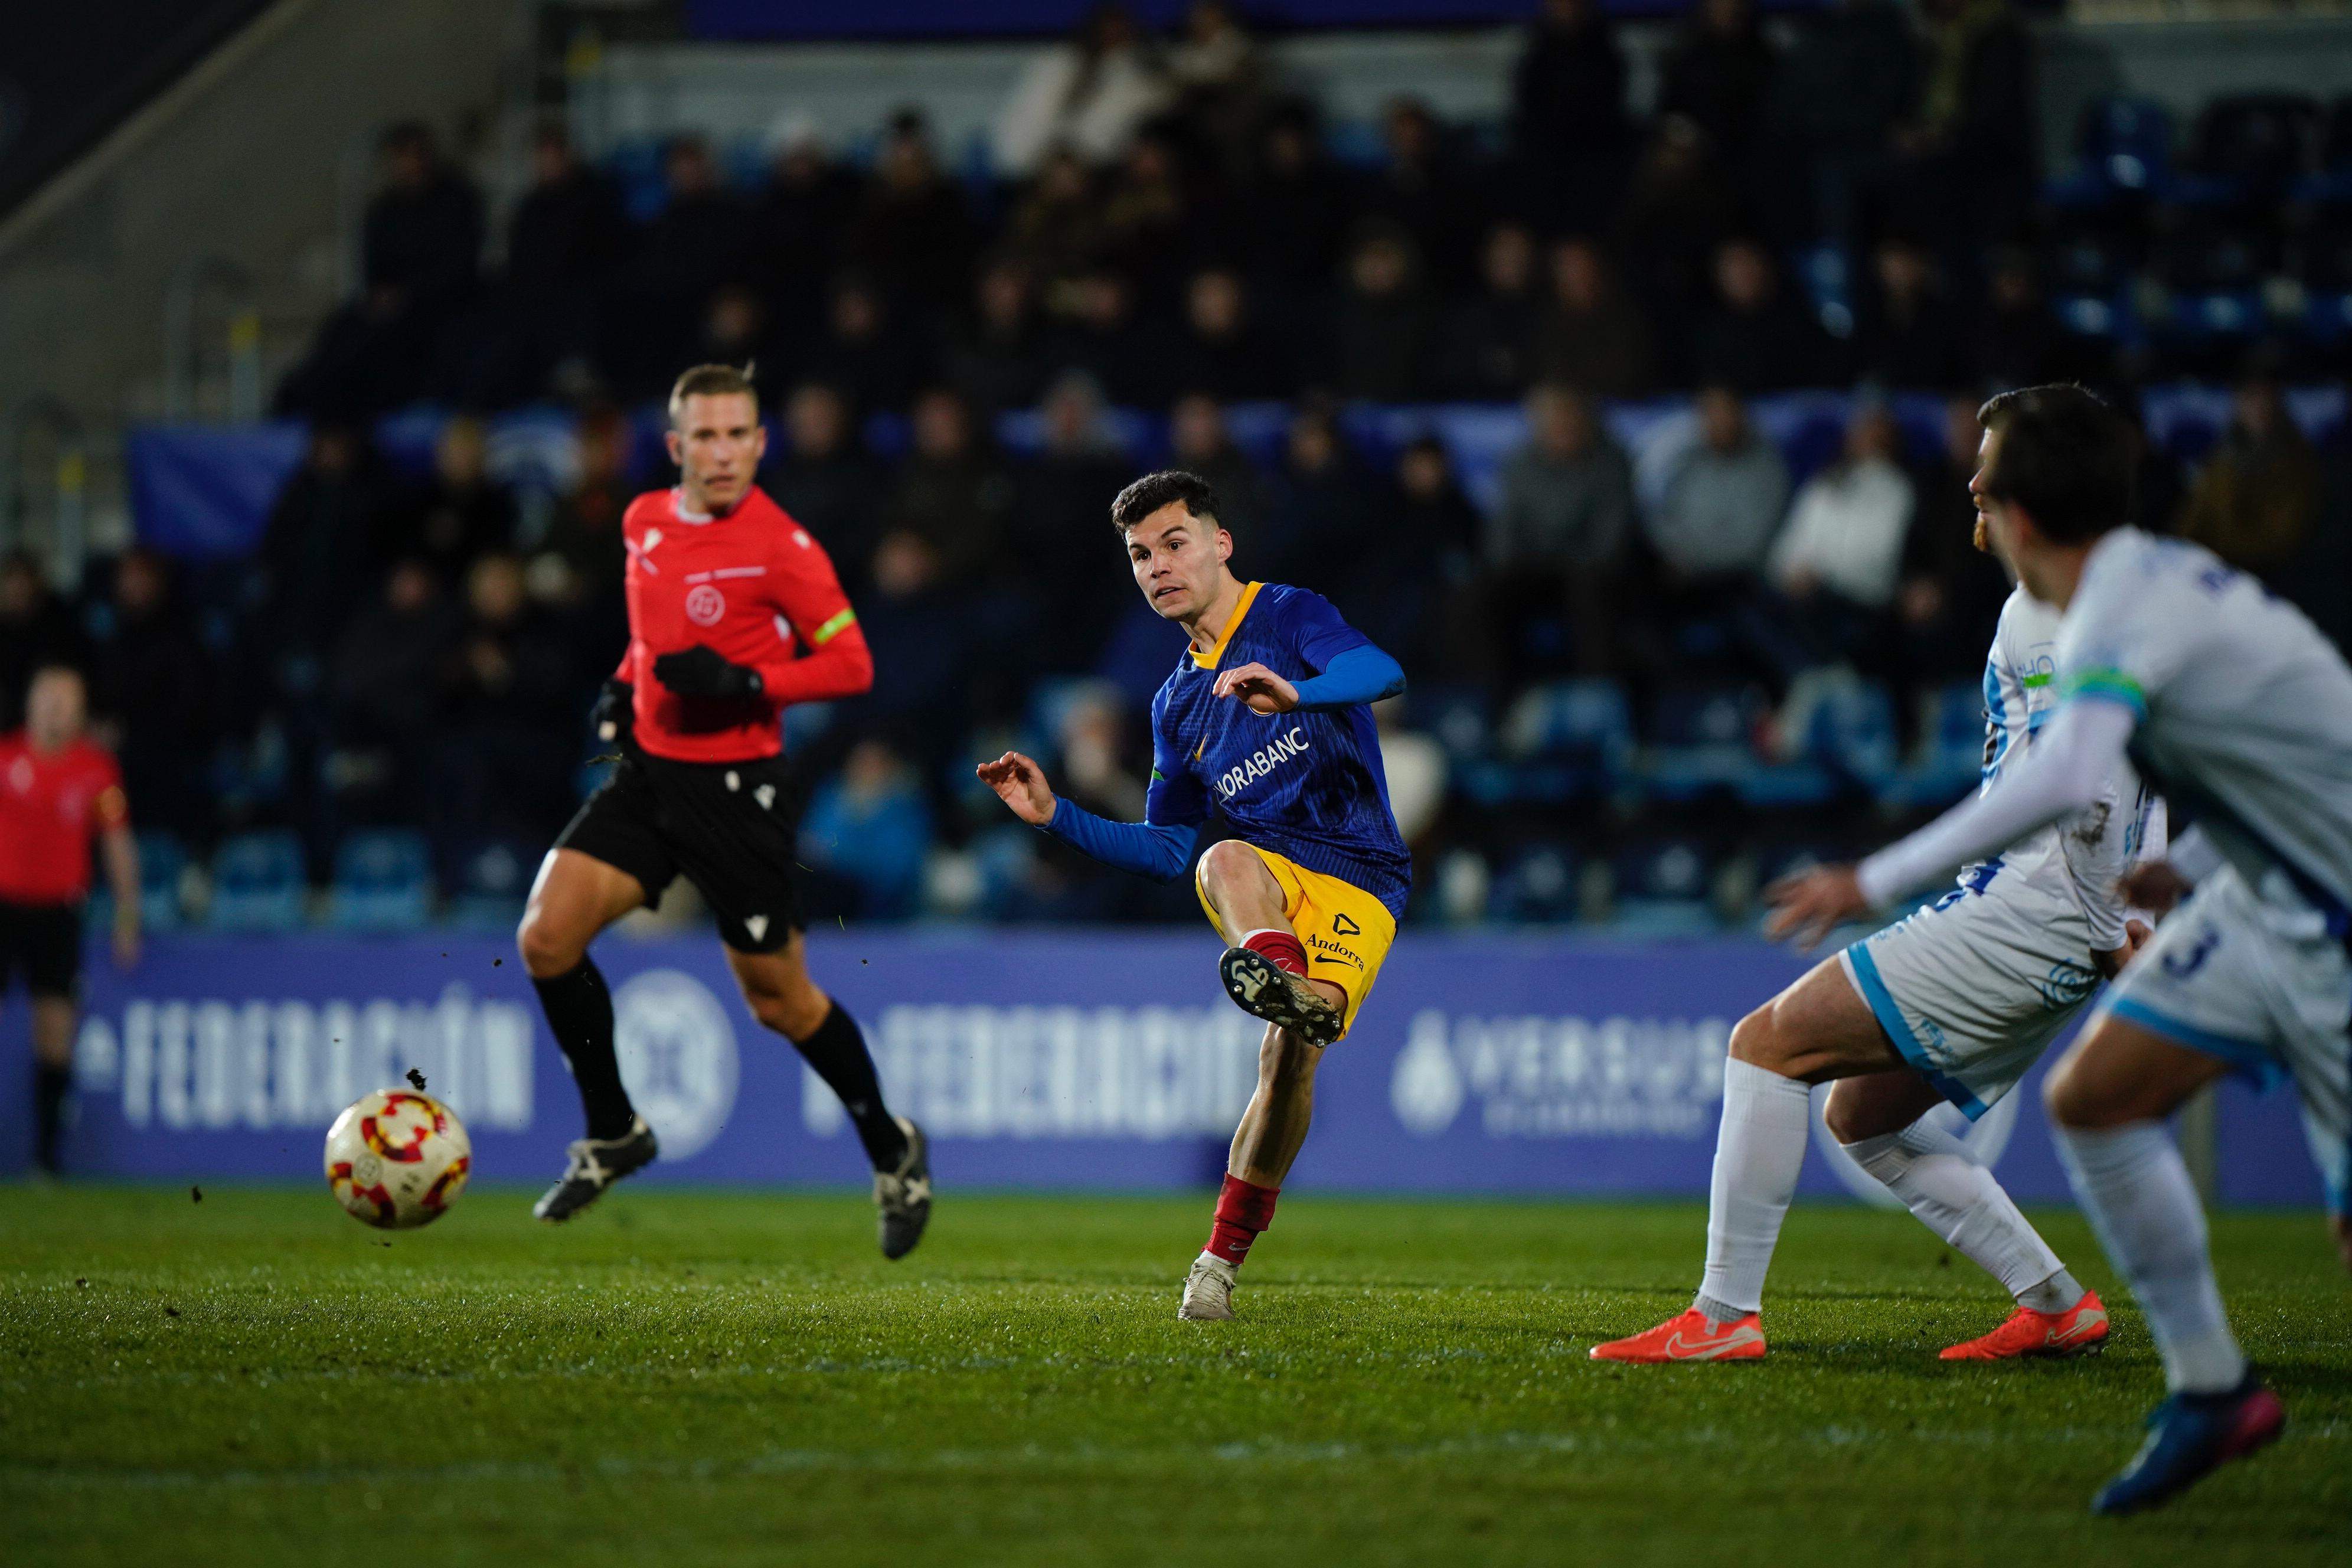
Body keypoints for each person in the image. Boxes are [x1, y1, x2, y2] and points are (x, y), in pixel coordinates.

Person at [1764, 383, 2352, 1514]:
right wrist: (2178, 878)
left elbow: (2068, 779)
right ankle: (2210, 1390)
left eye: (1984, 474)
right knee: (2095, 1095)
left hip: (2326, 910)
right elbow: (2249, 760)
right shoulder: (2126, 592)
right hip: (2264, 892)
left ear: (2018, 512)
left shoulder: (2115, 607)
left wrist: (1869, 880)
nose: (1969, 491)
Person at [1594, 384, 2158, 1372]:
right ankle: (2054, 1304)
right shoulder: (2093, 595)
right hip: (2057, 914)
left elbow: (2087, 785)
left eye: (1992, 462)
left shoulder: (2062, 612)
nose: (1972, 481)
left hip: (2035, 910)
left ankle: (1722, 1312)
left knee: (1764, 1046)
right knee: (1861, 1117)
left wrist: (2100, 915)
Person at [515, 365, 932, 1257]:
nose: (723, 451)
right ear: (676, 449)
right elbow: (645, 638)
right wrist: (620, 690)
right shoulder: (643, 523)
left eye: (738, 434)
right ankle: (614, 1129)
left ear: (759, 443)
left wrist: (749, 682)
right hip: (649, 777)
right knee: (546, 938)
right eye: (705, 436)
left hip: (739, 792)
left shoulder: (785, 547)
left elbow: (851, 665)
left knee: (778, 1001)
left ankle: (892, 1149)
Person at [977, 471, 1411, 1321]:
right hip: (1268, 883)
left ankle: (1224, 1248)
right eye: (1141, 555)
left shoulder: (1289, 615)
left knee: (1294, 1055)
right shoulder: (1177, 705)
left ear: (1221, 544)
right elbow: (1169, 849)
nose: (1158, 567)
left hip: (1362, 874)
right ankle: (1279, 981)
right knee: (1222, 861)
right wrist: (1054, 814)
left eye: (1174, 543)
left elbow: (1384, 671)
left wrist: (1302, 691)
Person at [1, 667, 139, 1174]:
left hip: (58, 912)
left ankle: (45, 1158)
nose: (56, 708)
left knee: (56, 1032)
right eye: (48, 698)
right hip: (2, 905)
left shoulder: (96, 772)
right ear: (31, 704)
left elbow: (117, 841)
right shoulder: (4, 758)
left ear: (81, 711)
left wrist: (128, 914)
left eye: (66, 700)